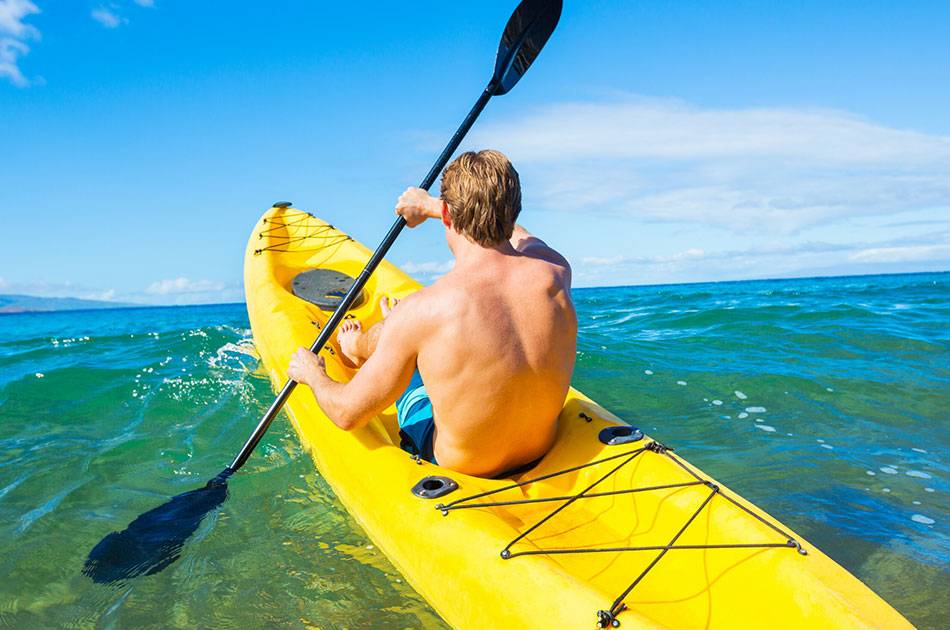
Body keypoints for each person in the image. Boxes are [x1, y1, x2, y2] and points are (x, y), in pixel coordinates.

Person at [287, 150, 576, 478]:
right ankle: (379, 338)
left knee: (410, 345)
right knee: (415, 332)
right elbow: (518, 233)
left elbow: (346, 413)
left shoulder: (427, 308)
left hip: (461, 466)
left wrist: (313, 374)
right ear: (514, 208)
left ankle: (361, 346)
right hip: (539, 450)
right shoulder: (554, 269)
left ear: (448, 216)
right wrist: (431, 206)